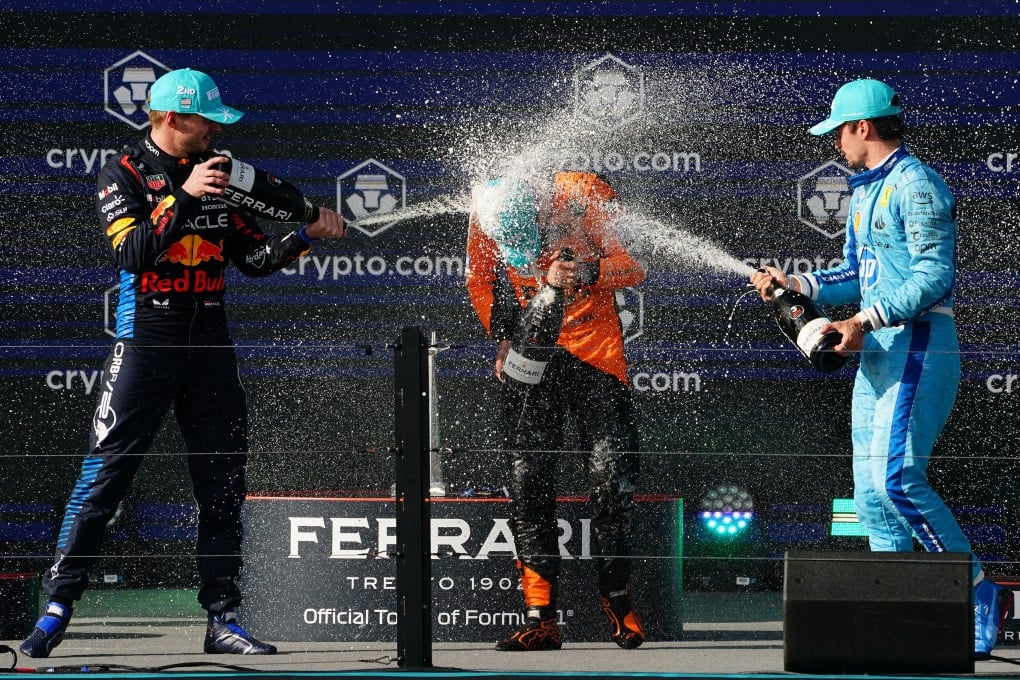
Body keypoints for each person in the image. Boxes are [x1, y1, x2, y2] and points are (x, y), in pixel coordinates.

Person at [20, 68, 347, 658]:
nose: (216, 131)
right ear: (171, 119)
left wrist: (304, 235)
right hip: (146, 338)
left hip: (211, 344)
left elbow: (252, 258)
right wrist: (185, 195)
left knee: (222, 482)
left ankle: (222, 617)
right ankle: (57, 608)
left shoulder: (221, 173)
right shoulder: (122, 172)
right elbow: (131, 249)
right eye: (207, 121)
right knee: (104, 477)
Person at [750, 77, 1011, 659]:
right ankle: (893, 610)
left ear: (862, 127)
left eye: (839, 132)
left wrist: (862, 323)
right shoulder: (867, 189)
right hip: (878, 351)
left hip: (918, 345)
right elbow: (855, 273)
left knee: (898, 479)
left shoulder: (917, 185)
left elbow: (933, 277)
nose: (835, 144)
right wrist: (795, 284)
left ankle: (979, 592)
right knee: (870, 495)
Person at [466, 171, 646, 651]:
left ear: (544, 210)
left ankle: (619, 602)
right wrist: (503, 337)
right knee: (527, 487)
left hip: (597, 358)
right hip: (531, 355)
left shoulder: (585, 196)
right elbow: (480, 280)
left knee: (610, 486)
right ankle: (540, 619)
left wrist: (586, 272)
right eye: (513, 245)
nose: (525, 255)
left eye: (530, 239)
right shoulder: (488, 206)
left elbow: (634, 266)